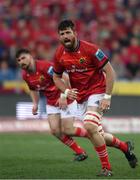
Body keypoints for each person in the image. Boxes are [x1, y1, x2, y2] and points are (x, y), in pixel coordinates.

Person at [53, 19, 138, 176]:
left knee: (90, 126)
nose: (65, 36)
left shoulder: (91, 49)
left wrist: (107, 96)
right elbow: (56, 77)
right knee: (97, 134)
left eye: (68, 33)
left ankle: (107, 168)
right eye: (62, 34)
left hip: (97, 91)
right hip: (81, 97)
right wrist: (65, 91)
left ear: (75, 34)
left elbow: (110, 71)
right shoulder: (59, 54)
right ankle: (125, 148)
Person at [16, 48, 89, 161]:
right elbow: (33, 89)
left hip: (65, 98)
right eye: (19, 60)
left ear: (30, 56)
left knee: (68, 130)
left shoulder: (45, 67)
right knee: (55, 131)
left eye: (23, 58)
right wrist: (35, 103)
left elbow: (64, 78)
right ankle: (80, 152)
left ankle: (92, 134)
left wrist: (63, 96)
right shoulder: (25, 75)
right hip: (51, 102)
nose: (21, 61)